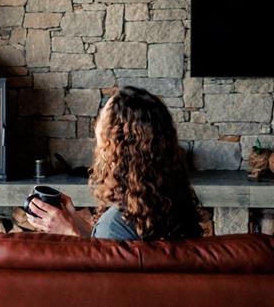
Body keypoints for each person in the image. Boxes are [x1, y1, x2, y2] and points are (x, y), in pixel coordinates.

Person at [28, 85, 202, 240]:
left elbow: (101, 262)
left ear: (116, 143)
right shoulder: (171, 203)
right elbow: (111, 251)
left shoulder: (114, 224)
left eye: (102, 117)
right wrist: (75, 221)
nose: (96, 123)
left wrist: (69, 232)